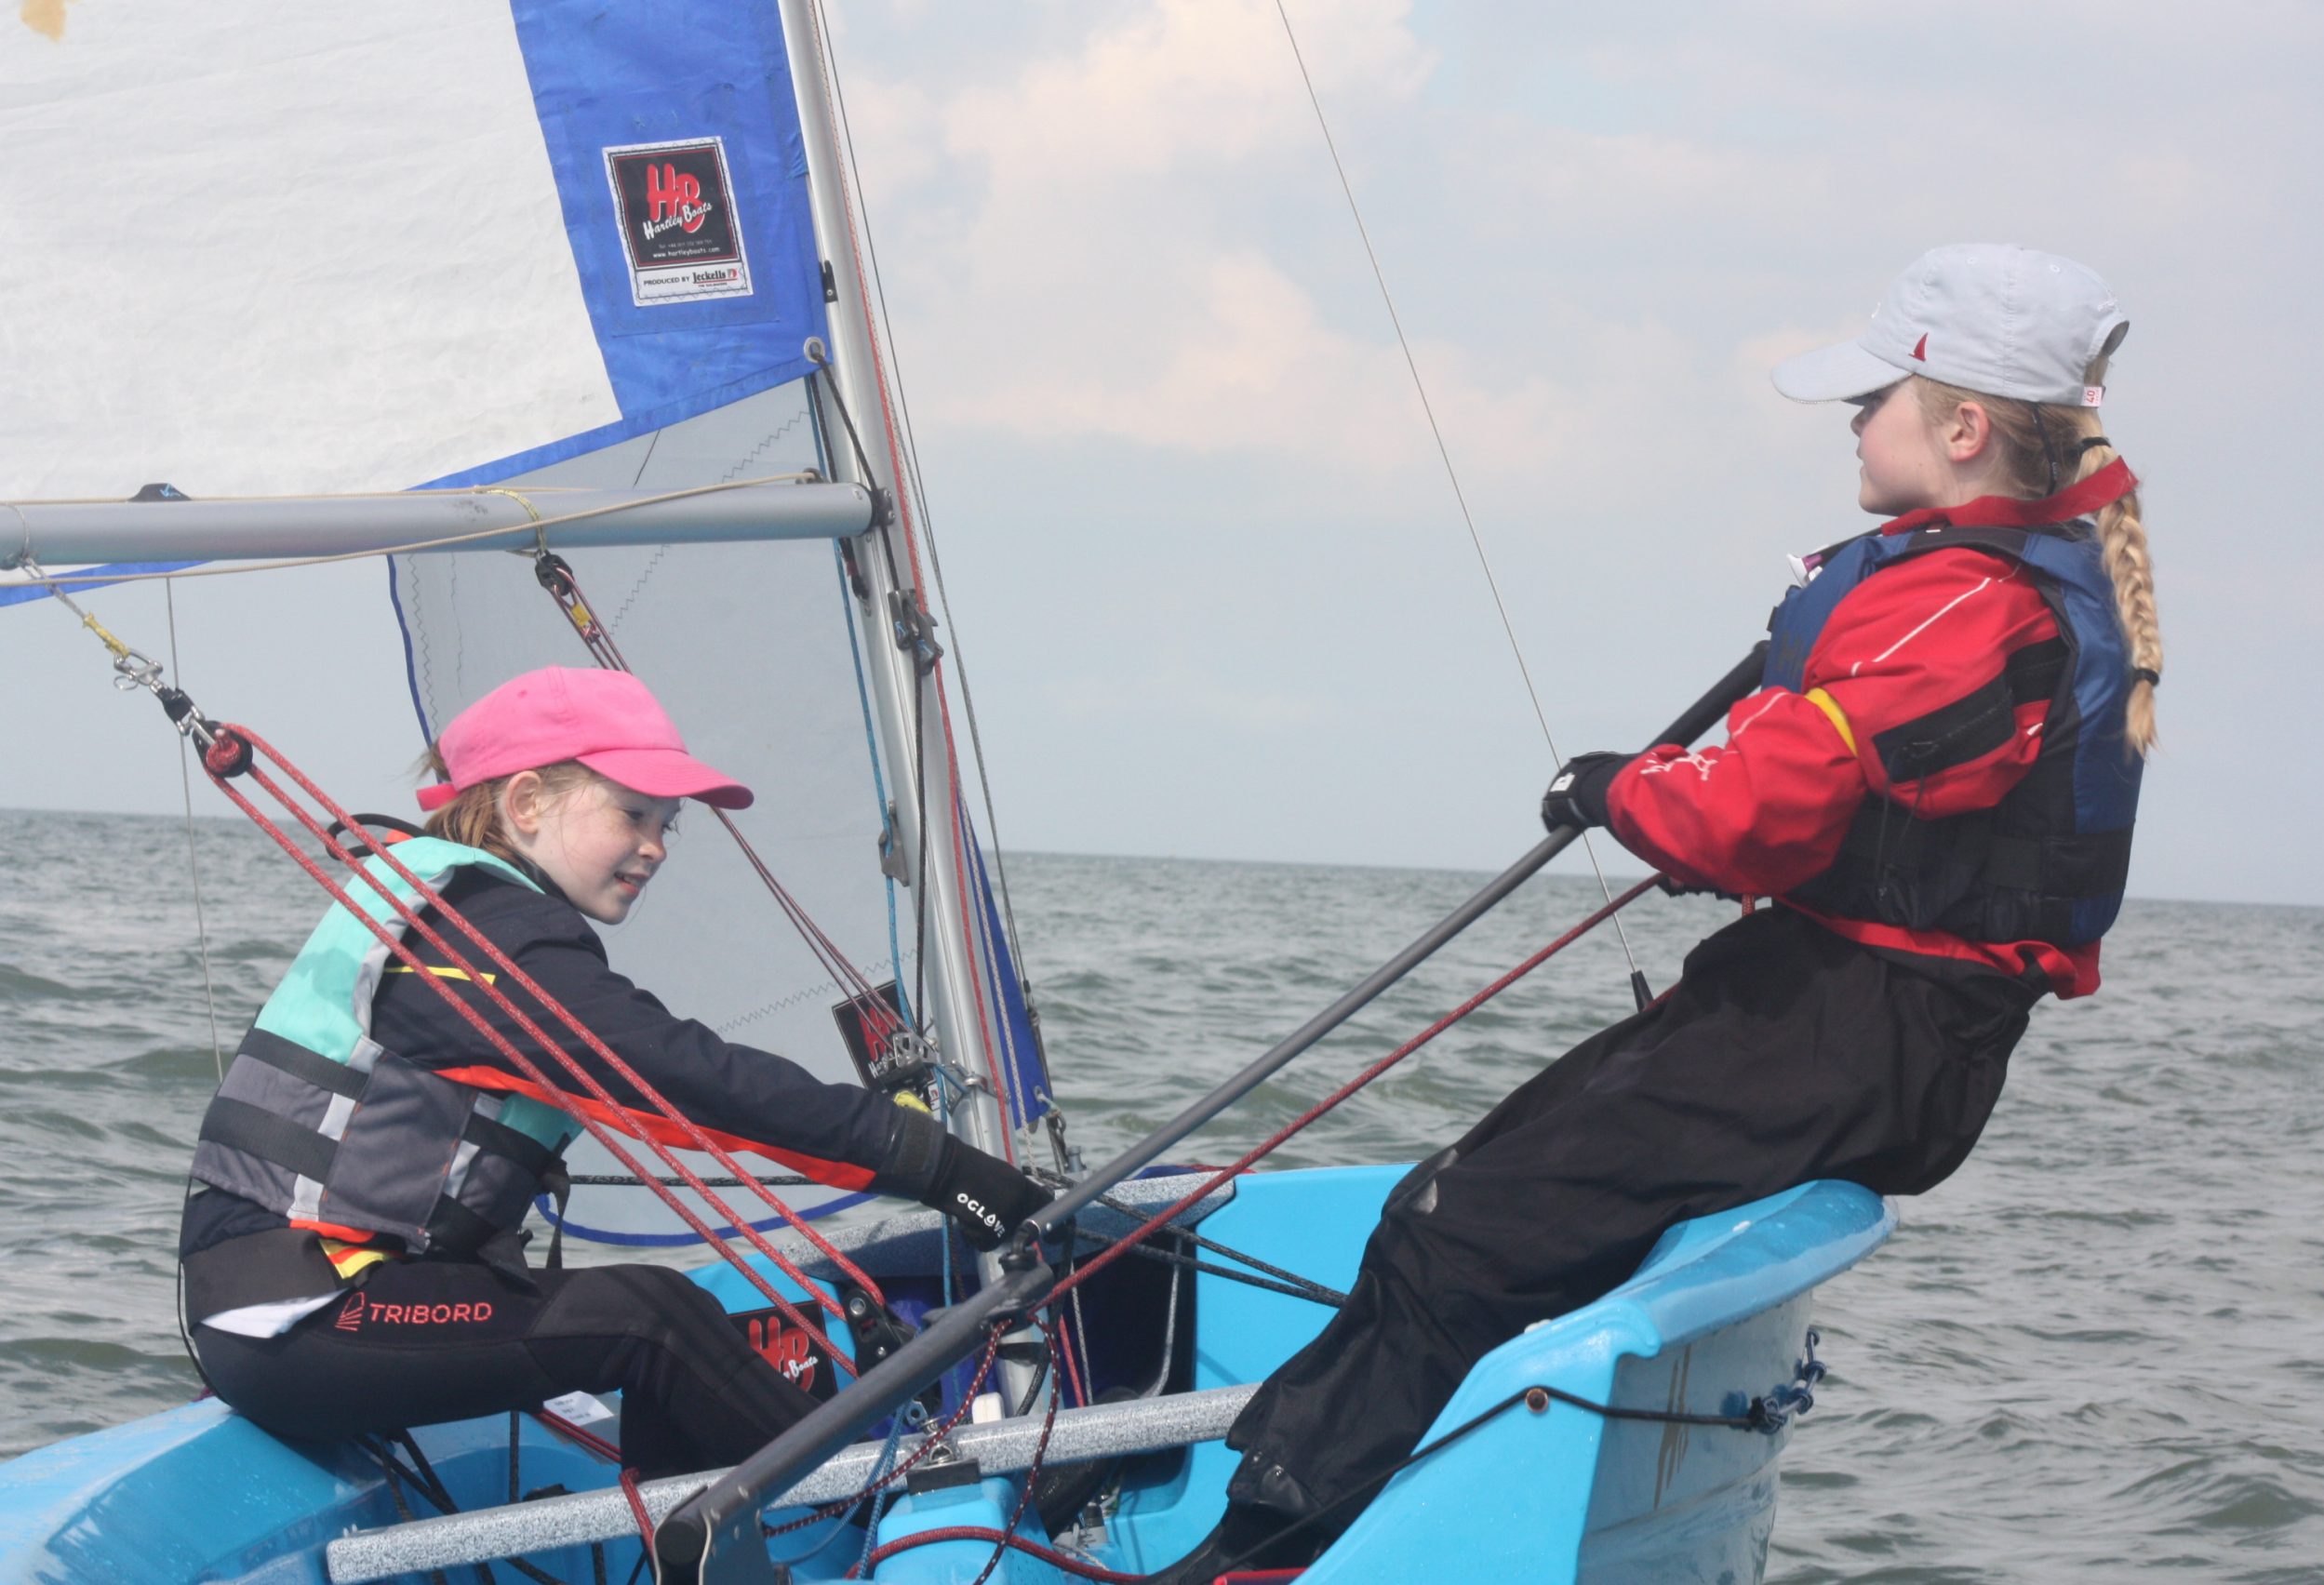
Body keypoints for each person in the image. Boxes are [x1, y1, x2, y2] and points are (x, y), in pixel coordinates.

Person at [1155, 244, 2161, 1579]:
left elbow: (1751, 808)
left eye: (1875, 400)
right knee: (1447, 1209)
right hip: (1841, 1009)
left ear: (1963, 426)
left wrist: (1616, 789)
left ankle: (1261, 1551)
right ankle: (1300, 1529)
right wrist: (1654, 794)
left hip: (1862, 1030)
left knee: (1458, 1233)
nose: (1854, 423)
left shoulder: (1971, 608)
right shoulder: (1976, 580)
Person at [178, 665, 1050, 1477]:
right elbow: (679, 1076)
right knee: (651, 1320)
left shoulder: (468, 915)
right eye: (632, 814)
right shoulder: (472, 936)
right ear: (525, 802)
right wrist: (940, 1167)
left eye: (666, 825)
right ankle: (880, 1510)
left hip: (323, 1301)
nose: (657, 847)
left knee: (664, 1318)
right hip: (304, 1313)